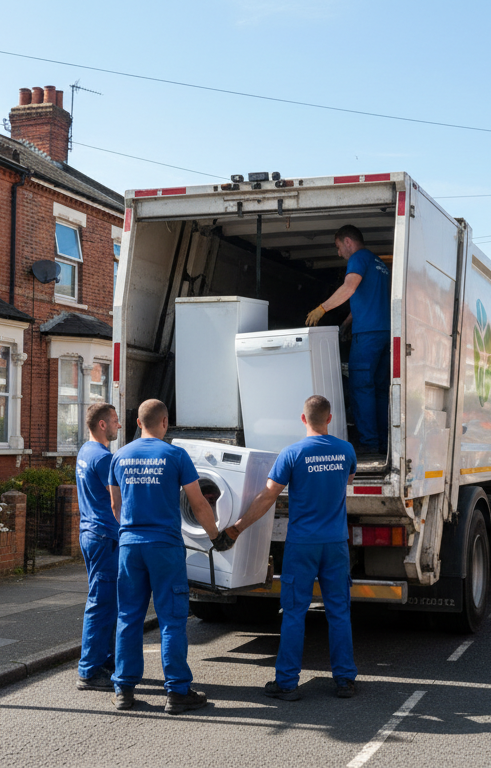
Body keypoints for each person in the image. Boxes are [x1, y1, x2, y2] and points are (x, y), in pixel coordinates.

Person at [225, 395, 358, 700]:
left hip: (302, 545)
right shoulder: (346, 450)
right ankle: (344, 681)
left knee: (295, 613)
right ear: (330, 418)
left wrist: (237, 527)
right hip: (336, 544)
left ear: (303, 419)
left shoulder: (292, 453)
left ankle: (287, 683)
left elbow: (268, 496)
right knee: (339, 611)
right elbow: (347, 480)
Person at [108, 399, 222, 713]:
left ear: (137, 423)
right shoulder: (175, 456)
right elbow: (198, 503)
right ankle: (176, 692)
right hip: (164, 546)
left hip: (130, 545)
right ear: (165, 422)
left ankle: (124, 690)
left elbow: (116, 507)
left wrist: (131, 532)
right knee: (171, 619)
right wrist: (216, 536)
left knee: (129, 617)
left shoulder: (119, 456)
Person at [305, 225, 391, 454]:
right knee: (379, 391)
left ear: (348, 242)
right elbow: (366, 298)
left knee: (361, 387)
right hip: (385, 334)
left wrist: (321, 309)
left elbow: (349, 288)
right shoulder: (378, 263)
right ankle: (383, 442)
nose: (338, 253)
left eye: (338, 247)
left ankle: (369, 443)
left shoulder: (358, 259)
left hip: (368, 336)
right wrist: (345, 324)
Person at [74, 402, 121, 692]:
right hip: (104, 535)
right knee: (101, 603)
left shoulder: (84, 451)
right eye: (114, 421)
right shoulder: (104, 458)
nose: (118, 425)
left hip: (91, 533)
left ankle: (105, 662)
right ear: (102, 424)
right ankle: (89, 671)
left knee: (107, 602)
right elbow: (118, 498)